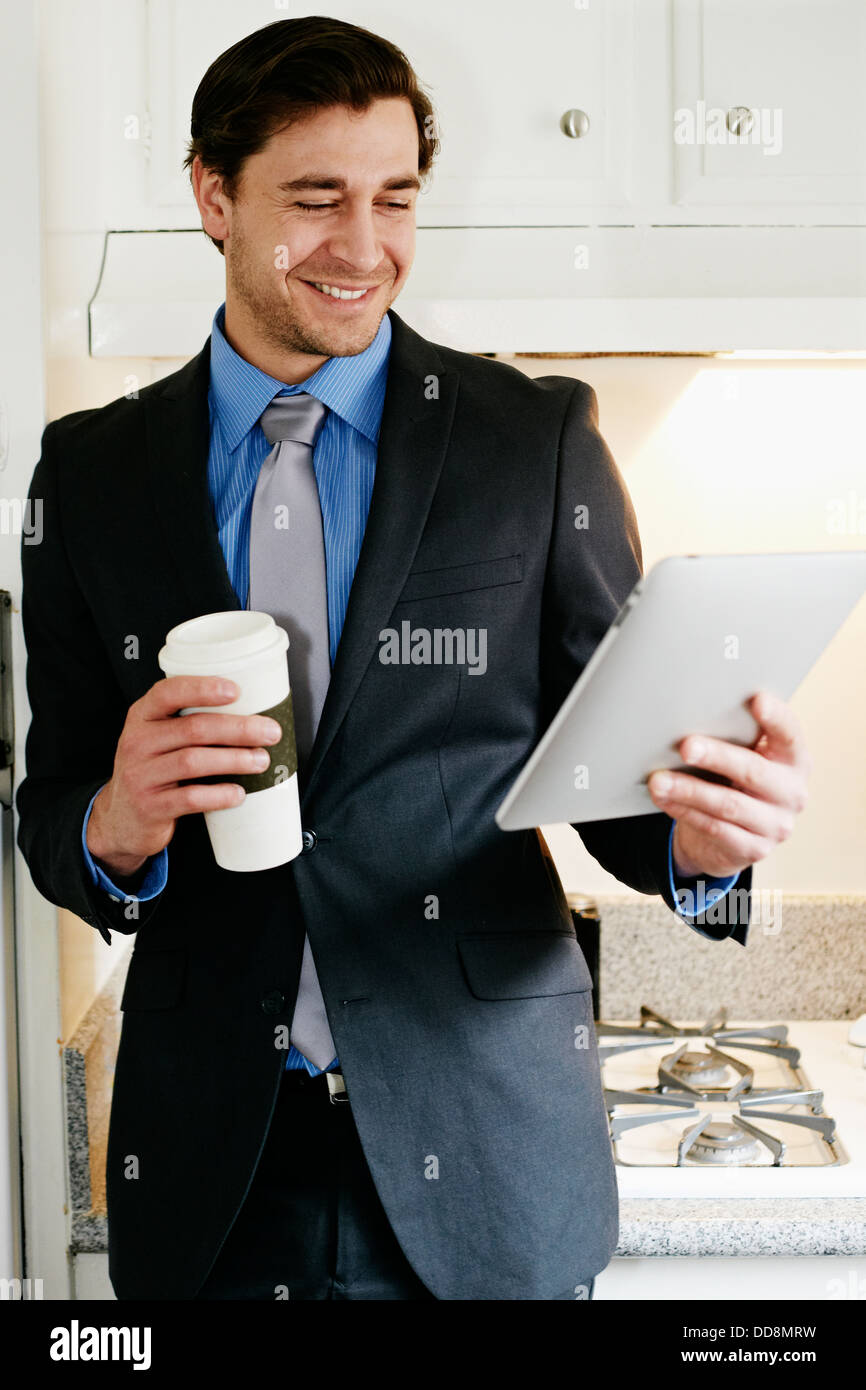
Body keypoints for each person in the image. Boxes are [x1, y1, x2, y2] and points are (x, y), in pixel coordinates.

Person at [16, 16, 811, 1301]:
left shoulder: (528, 441)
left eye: (395, 199)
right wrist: (114, 821)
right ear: (213, 197)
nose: (363, 246)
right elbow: (51, 807)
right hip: (218, 1162)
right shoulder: (93, 475)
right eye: (315, 198)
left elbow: (613, 782)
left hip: (486, 1159)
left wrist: (703, 851)